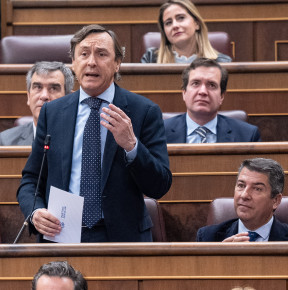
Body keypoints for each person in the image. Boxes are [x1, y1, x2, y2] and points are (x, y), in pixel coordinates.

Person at [17, 24, 172, 243]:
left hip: (122, 240)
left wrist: (132, 146)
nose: (91, 62)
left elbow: (160, 185)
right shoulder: (53, 113)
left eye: (101, 54)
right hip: (61, 235)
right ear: (73, 62)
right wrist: (35, 212)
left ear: (117, 63)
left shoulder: (143, 111)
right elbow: (31, 180)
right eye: (84, 54)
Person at [196, 158, 288, 242]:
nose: (244, 195)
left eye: (257, 189)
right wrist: (219, 259)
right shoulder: (208, 238)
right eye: (241, 185)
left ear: (275, 201)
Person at [164, 58, 260, 143]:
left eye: (211, 85)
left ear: (221, 96)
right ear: (184, 93)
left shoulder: (247, 135)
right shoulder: (160, 132)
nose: (203, 91)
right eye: (196, 83)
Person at [0, 61, 74, 146]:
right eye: (38, 87)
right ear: (28, 96)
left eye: (53, 88)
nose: (44, 96)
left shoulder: (82, 140)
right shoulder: (6, 141)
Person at [141, 0, 231, 63]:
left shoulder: (222, 62)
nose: (175, 26)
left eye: (181, 18)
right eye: (168, 23)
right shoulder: (151, 59)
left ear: (197, 23)